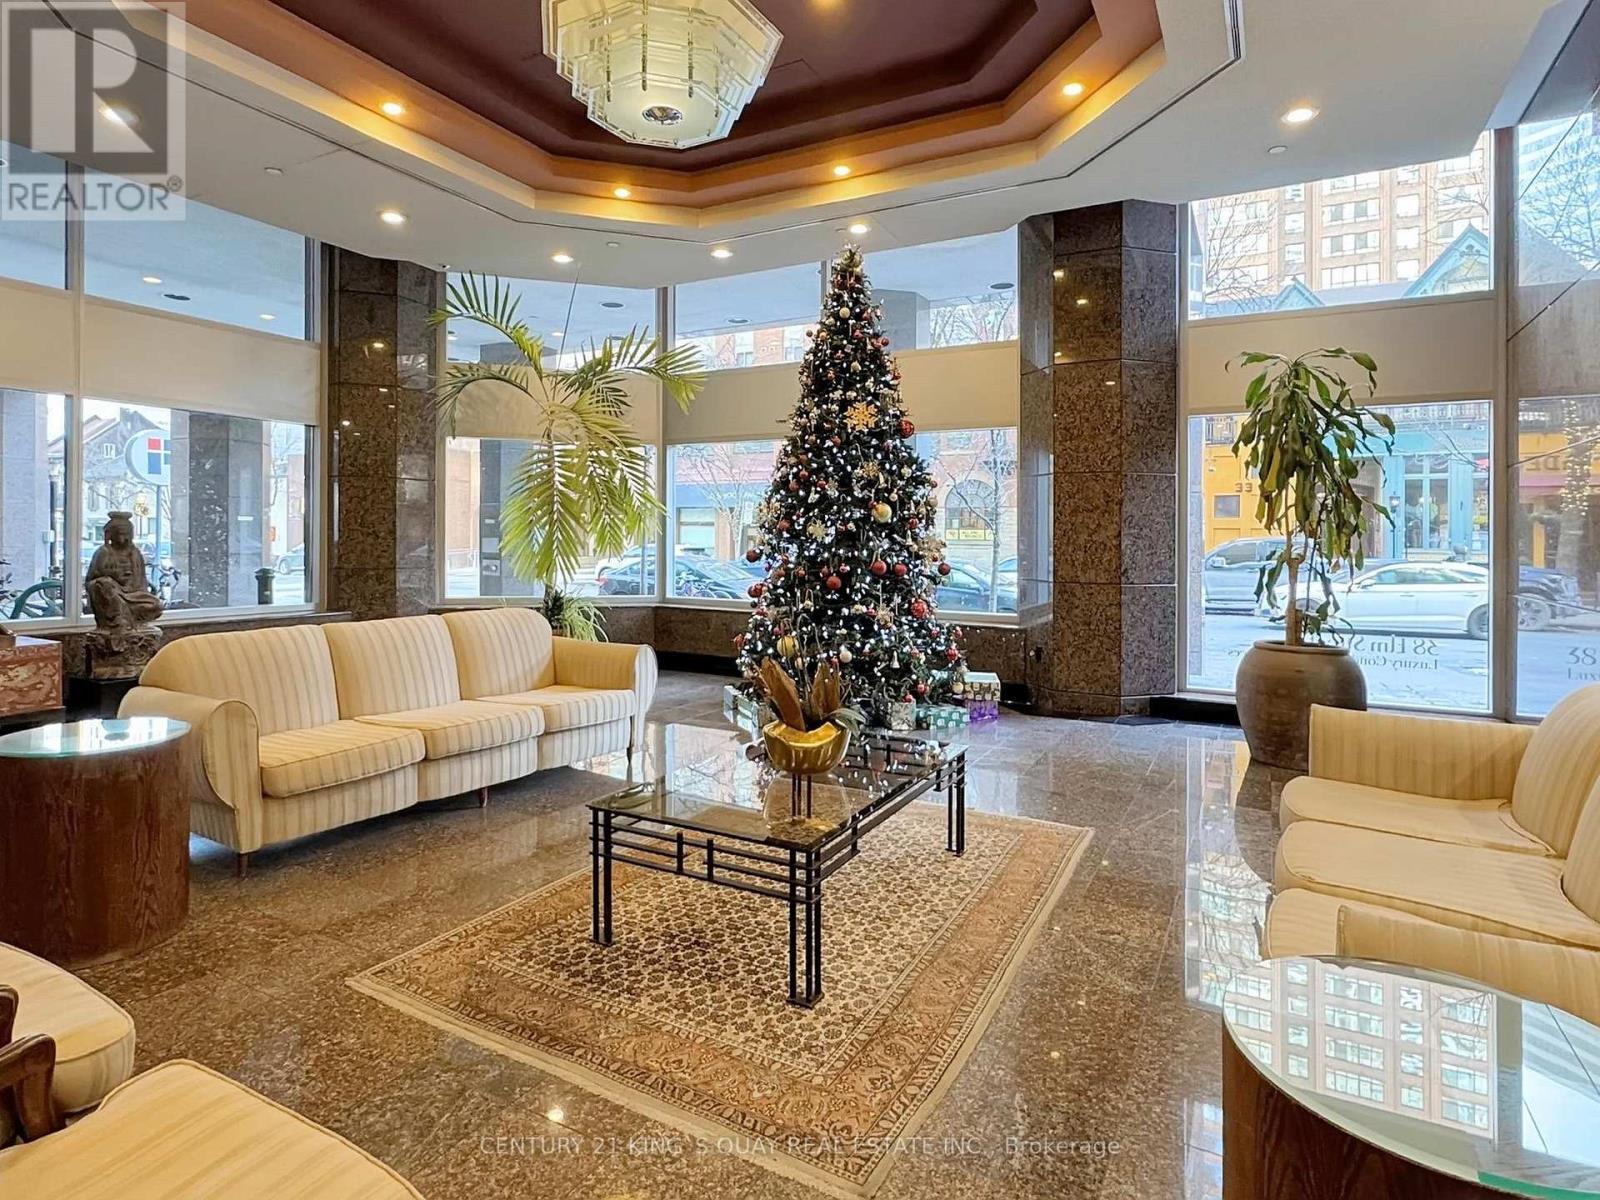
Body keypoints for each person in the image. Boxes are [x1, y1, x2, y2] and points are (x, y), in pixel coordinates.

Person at [86, 511, 163, 629]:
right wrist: (112, 575)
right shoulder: (104, 552)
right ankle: (119, 620)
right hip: (113, 592)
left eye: (126, 534)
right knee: (104, 584)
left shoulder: (135, 553)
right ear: (110, 535)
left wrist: (132, 585)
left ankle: (132, 621)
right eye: (119, 534)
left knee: (156, 605)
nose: (122, 538)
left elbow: (141, 581)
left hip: (133, 594)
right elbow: (91, 579)